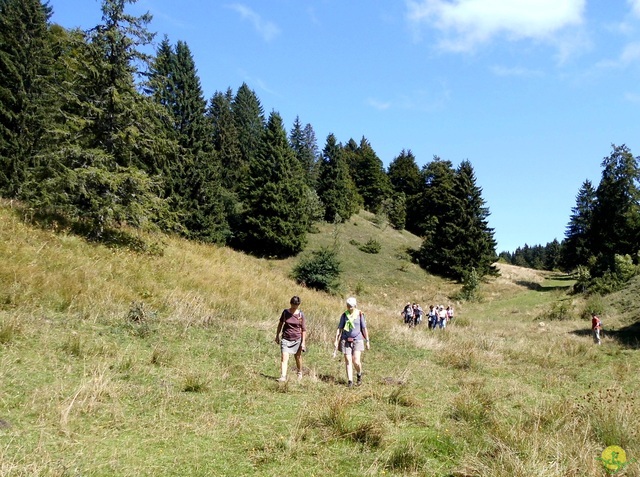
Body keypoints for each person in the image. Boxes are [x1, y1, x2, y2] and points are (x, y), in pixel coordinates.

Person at [334, 297, 370, 387]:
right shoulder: (344, 315)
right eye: (348, 306)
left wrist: (367, 341)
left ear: (355, 306)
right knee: (348, 360)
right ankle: (350, 381)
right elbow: (339, 328)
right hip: (345, 339)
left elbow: (364, 328)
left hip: (357, 340)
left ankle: (359, 374)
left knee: (356, 361)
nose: (349, 308)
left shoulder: (360, 314)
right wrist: (336, 339)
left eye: (351, 306)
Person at [274, 296, 307, 381]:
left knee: (298, 357)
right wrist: (277, 335)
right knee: (284, 357)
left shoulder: (300, 315)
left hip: (297, 339)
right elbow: (280, 324)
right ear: (290, 303)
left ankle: (299, 372)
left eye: (296, 305)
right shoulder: (285, 312)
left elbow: (303, 330)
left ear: (298, 305)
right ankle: (283, 376)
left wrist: (303, 343)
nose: (294, 307)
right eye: (293, 305)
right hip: (286, 338)